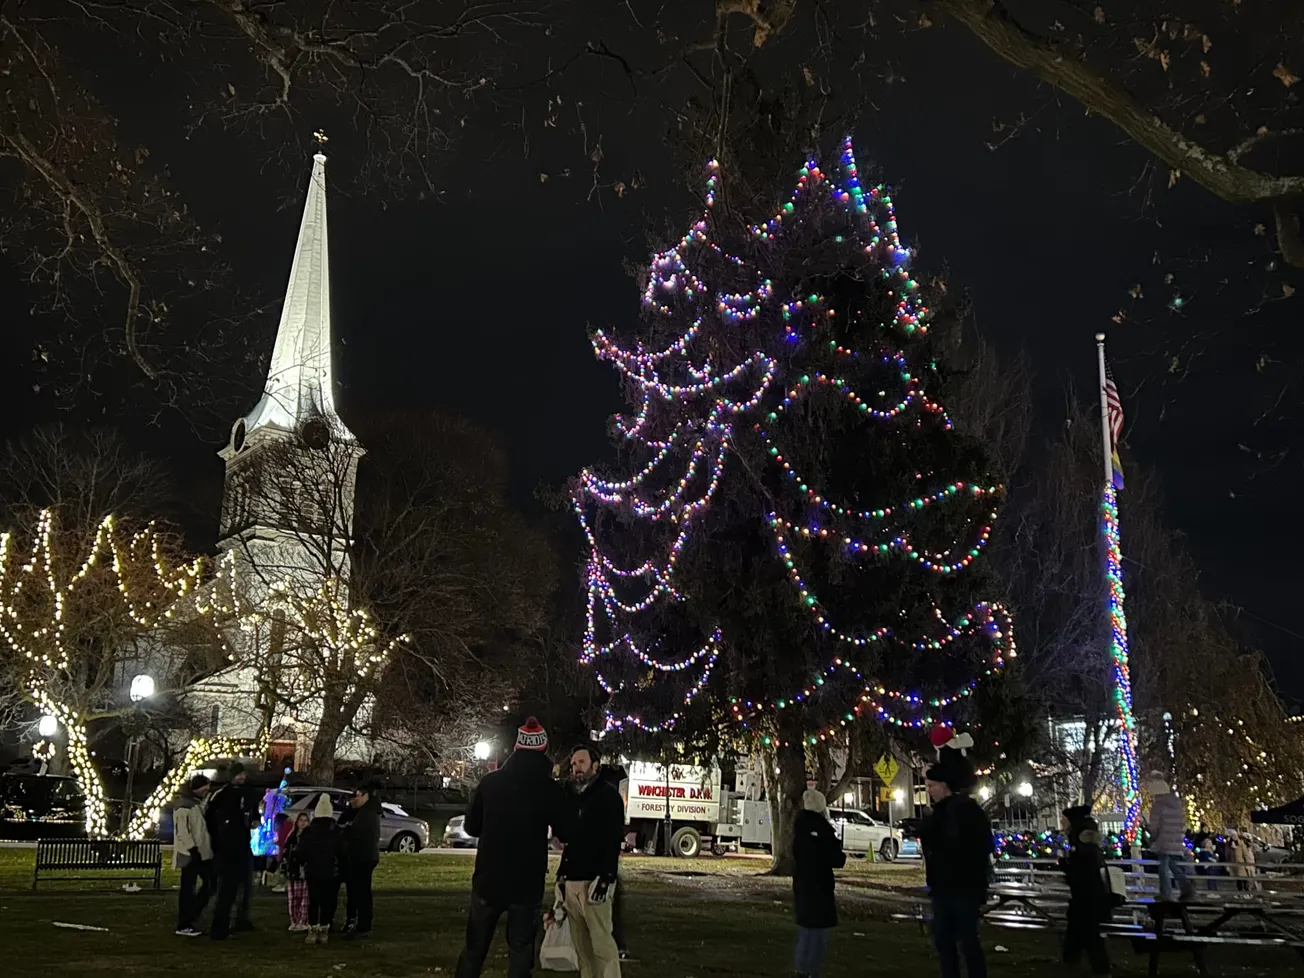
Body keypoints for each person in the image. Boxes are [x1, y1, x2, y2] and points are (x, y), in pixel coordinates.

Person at [454, 718, 571, 978]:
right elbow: (567, 831)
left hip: (488, 878)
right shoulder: (550, 789)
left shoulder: (490, 783)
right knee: (520, 951)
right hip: (526, 884)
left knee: (474, 949)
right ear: (543, 749)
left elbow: (472, 828)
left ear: (517, 748)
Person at [918, 746, 993, 978]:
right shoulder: (938, 814)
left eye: (931, 786)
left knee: (967, 942)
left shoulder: (965, 811)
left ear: (944, 785)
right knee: (944, 942)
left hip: (963, 887)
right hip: (942, 888)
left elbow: (979, 846)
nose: (928, 791)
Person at [558, 744, 625, 978]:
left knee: (602, 946)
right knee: (582, 949)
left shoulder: (607, 796)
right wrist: (562, 875)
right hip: (573, 881)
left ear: (595, 766)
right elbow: (570, 840)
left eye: (581, 763)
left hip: (594, 881)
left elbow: (613, 839)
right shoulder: (572, 797)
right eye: (574, 763)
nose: (576, 768)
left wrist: (606, 877)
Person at [791, 789, 846, 978]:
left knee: (807, 930)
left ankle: (801, 969)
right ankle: (811, 971)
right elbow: (835, 858)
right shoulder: (822, 830)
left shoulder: (799, 827)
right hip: (819, 885)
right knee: (818, 933)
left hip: (804, 883)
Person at [1059, 806, 1115, 975]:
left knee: (1089, 932)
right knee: (1077, 924)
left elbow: (1080, 868)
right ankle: (1072, 958)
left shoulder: (1080, 842)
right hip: (1089, 893)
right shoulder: (1088, 839)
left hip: (1087, 894)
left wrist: (1066, 866)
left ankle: (1100, 967)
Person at [206, 762, 258, 940]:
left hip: (244, 846)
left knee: (245, 888)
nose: (242, 777)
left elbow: (253, 814)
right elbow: (211, 819)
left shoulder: (248, 793)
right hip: (227, 849)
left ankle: (241, 920)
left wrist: (253, 821)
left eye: (243, 774)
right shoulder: (221, 795)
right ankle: (220, 926)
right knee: (227, 889)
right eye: (238, 775)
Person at [595, 759, 631, 961]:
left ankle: (614, 947)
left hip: (602, 868)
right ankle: (617, 944)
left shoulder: (604, 798)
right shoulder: (611, 798)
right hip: (606, 867)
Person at [298, 793, 346, 944]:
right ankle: (324, 929)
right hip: (331, 871)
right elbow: (343, 852)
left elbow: (301, 852)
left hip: (312, 870)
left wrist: (302, 863)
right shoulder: (337, 831)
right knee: (328, 901)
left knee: (314, 900)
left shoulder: (309, 832)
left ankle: (312, 929)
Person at [339, 780, 383, 939]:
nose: (355, 798)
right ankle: (360, 922)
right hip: (363, 856)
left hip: (362, 857)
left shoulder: (368, 814)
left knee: (361, 891)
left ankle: (363, 925)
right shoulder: (366, 812)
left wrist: (347, 830)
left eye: (358, 795)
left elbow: (358, 835)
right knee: (360, 891)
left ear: (366, 796)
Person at [173, 774, 214, 937]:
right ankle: (185, 921)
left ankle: (189, 917)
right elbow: (183, 831)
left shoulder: (190, 804)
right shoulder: (185, 807)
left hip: (195, 852)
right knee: (192, 887)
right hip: (191, 853)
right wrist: (193, 849)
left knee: (196, 886)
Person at [1143, 772, 1193, 902]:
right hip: (1175, 839)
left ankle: (1166, 894)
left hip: (1163, 840)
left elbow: (1154, 826)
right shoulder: (1176, 805)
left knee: (1163, 867)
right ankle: (1187, 888)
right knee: (1172, 865)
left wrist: (1150, 834)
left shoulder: (1158, 806)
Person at [282, 811, 312, 932]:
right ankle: (294, 921)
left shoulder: (309, 837)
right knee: (293, 898)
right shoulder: (292, 836)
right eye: (301, 820)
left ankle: (303, 921)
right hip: (293, 870)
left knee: (304, 898)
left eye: (305, 821)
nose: (303, 823)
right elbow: (286, 852)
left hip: (304, 870)